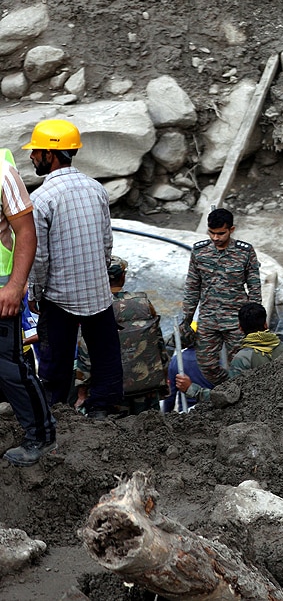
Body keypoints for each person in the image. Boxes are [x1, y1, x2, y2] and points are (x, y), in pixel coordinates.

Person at [26, 119, 124, 418]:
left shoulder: (41, 199)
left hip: (60, 298)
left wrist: (35, 292)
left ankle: (56, 412)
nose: (31, 157)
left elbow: (39, 258)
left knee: (55, 361)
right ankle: (103, 409)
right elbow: (107, 241)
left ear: (51, 155)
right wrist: (99, 275)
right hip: (97, 293)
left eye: (36, 152)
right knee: (106, 357)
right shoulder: (95, 189)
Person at [0, 144, 53, 466]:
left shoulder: (3, 175)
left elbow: (26, 232)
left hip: (2, 288)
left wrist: (16, 286)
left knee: (9, 367)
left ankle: (41, 436)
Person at [75, 256, 170, 411]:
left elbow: (85, 356)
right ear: (123, 277)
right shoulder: (143, 304)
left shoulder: (94, 309)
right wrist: (164, 379)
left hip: (111, 390)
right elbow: (159, 345)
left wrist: (82, 393)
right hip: (146, 387)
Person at [182, 208, 262, 385]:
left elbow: (254, 287)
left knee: (241, 365)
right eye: (211, 233)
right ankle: (227, 390)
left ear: (231, 230)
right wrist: (186, 318)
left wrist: (255, 319)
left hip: (237, 320)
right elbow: (192, 286)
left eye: (220, 233)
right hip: (209, 319)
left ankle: (240, 393)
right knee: (206, 364)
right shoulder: (199, 251)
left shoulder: (245, 252)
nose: (215, 238)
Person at [175, 302, 283, 402]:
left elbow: (229, 397)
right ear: (265, 324)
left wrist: (191, 389)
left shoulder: (242, 358)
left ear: (240, 328)